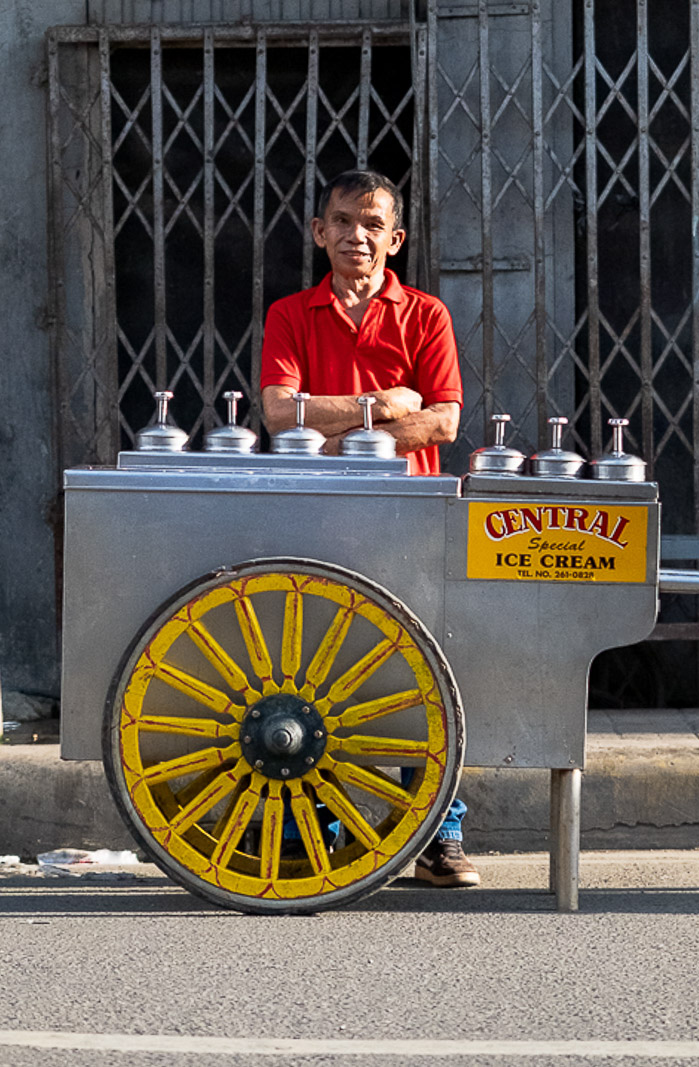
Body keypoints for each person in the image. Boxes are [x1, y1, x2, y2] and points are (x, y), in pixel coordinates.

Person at [259, 168, 478, 889]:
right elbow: (275, 410)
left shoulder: (426, 315)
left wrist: (336, 428)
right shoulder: (291, 314)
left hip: (411, 515)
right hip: (313, 514)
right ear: (320, 232)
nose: (358, 236)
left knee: (425, 675)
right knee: (310, 675)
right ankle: (307, 826)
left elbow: (443, 418)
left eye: (373, 224)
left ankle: (441, 834)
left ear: (396, 237)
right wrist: (376, 407)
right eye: (344, 221)